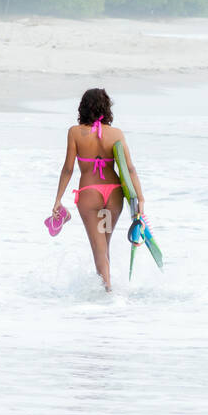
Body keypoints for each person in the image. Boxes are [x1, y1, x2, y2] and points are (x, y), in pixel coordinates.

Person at [51, 87, 144, 292]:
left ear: (83, 108)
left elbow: (68, 168)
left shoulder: (75, 132)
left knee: (99, 248)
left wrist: (58, 199)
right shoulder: (116, 134)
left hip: (90, 195)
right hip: (113, 196)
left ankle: (108, 293)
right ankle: (107, 291)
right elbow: (129, 168)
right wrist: (140, 201)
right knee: (104, 246)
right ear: (106, 108)